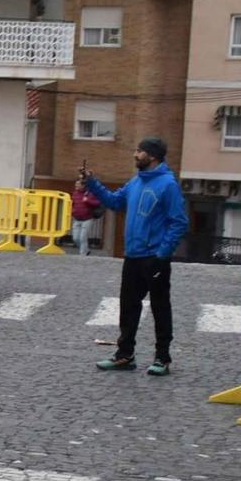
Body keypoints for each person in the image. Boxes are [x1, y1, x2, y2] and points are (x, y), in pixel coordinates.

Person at [82, 137, 188, 375]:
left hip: (155, 257)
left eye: (139, 151)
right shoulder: (136, 181)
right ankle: (124, 355)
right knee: (128, 307)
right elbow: (115, 201)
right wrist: (92, 183)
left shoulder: (168, 184)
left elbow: (179, 222)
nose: (135, 154)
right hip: (132, 256)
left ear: (152, 156)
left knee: (160, 307)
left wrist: (162, 254)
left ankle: (163, 357)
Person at [70, 177, 103, 257]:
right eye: (76, 185)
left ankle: (82, 254)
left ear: (83, 185)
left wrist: (88, 200)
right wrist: (72, 211)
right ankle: (86, 250)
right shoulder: (74, 194)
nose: (76, 186)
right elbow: (72, 204)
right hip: (77, 219)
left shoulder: (90, 193)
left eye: (78, 185)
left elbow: (98, 202)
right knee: (75, 238)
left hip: (87, 219)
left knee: (83, 237)